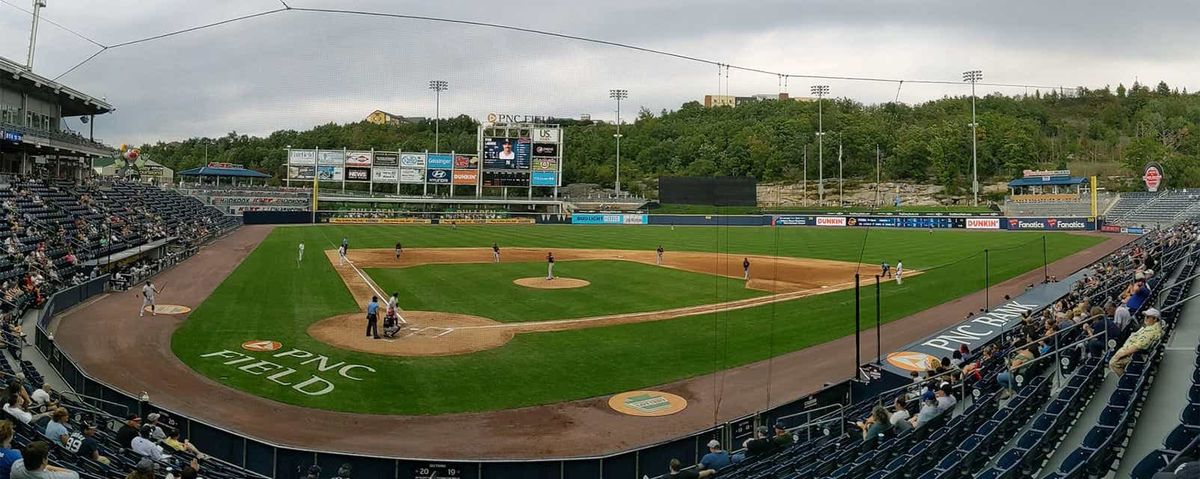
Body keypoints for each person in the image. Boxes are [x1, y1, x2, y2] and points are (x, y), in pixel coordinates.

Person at [1110, 308, 1164, 375]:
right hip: (1130, 350)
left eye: (1147, 317)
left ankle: (1128, 381)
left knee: (1113, 363)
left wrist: (1120, 354)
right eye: (1145, 316)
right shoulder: (1150, 327)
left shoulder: (1150, 332)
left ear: (1155, 319)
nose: (1145, 318)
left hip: (1135, 355)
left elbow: (1137, 347)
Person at [10, 441, 78, 479]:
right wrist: (47, 466)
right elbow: (75, 475)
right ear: (43, 460)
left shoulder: (16, 465)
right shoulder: (48, 477)